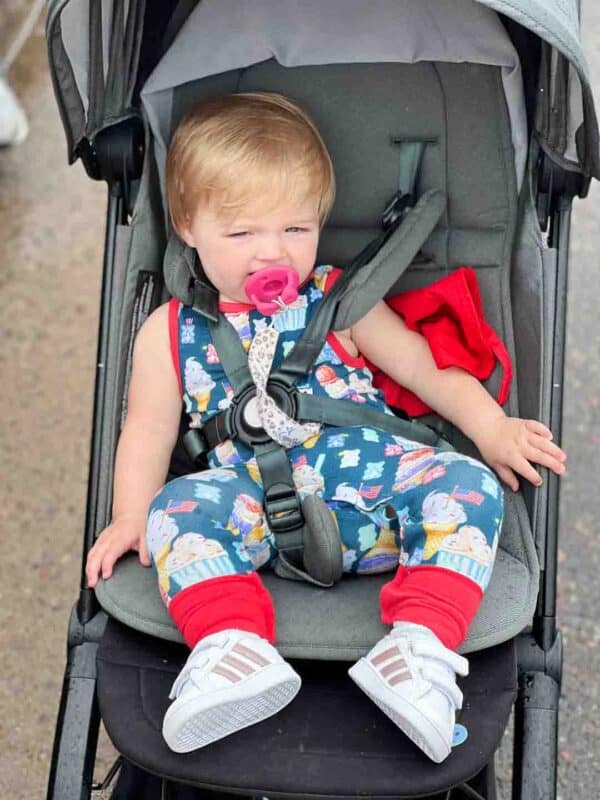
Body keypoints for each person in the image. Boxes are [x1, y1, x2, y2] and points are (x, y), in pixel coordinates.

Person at [85, 92, 566, 762]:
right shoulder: (168, 332)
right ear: (188, 227)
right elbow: (145, 431)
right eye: (242, 233)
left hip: (374, 495)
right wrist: (131, 514)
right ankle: (232, 648)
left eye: (295, 230)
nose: (272, 254)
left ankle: (418, 650)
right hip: (250, 511)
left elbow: (427, 371)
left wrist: (489, 428)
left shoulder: (342, 303)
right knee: (175, 510)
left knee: (468, 484)